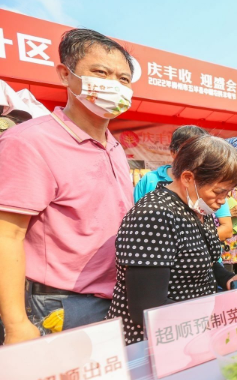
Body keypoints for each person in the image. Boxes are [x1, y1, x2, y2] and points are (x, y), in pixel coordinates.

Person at [0, 29, 136, 345]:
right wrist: (17, 323)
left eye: (123, 79)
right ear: (66, 75)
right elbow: (7, 234)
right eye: (100, 73)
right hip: (57, 305)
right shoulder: (30, 142)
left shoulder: (113, 146)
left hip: (111, 298)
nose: (113, 86)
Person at [107, 135, 237, 344]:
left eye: (228, 192)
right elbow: (147, 310)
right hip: (156, 340)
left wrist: (226, 279)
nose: (223, 200)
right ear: (187, 178)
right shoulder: (153, 217)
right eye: (219, 192)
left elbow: (205, 261)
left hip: (191, 331)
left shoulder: (198, 207)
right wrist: (215, 310)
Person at [133, 125, 234, 241]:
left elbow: (226, 228)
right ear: (173, 152)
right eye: (189, 152)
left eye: (202, 152)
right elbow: (140, 225)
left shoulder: (210, 183)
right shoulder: (150, 180)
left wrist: (194, 245)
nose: (197, 158)